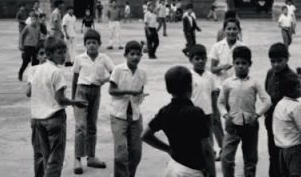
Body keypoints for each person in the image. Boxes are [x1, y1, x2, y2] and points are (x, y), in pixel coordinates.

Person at [143, 66, 211, 177]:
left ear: (168, 89)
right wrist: (211, 172)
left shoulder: (164, 111)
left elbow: (145, 135)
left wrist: (168, 149)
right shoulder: (196, 113)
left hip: (174, 166)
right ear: (190, 87)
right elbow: (206, 148)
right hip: (192, 170)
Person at [26, 36, 77, 177]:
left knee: (42, 155)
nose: (63, 56)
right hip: (54, 118)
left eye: (64, 52)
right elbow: (60, 99)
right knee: (55, 158)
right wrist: (75, 102)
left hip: (37, 118)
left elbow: (29, 92)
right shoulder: (57, 72)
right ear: (49, 54)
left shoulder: (36, 70)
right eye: (59, 53)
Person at [219, 45, 271, 177]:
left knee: (250, 159)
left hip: (250, 125)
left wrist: (257, 115)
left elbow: (267, 101)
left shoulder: (254, 82)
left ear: (250, 64)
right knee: (226, 157)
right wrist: (226, 115)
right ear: (233, 64)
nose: (240, 66)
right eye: (237, 63)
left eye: (244, 63)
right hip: (232, 125)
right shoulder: (227, 83)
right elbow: (220, 102)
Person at [71, 28, 114, 173]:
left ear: (99, 44)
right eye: (88, 43)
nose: (91, 45)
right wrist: (73, 100)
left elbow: (115, 73)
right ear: (85, 44)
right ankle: (77, 158)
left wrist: (105, 80)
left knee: (92, 125)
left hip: (95, 92)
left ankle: (91, 157)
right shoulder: (79, 59)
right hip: (81, 92)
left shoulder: (104, 58)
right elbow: (75, 79)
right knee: (80, 126)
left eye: (94, 43)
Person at [108, 40, 147, 177]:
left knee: (136, 153)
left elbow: (140, 92)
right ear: (126, 55)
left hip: (135, 116)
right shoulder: (118, 70)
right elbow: (111, 90)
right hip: (119, 115)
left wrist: (139, 96)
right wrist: (130, 92)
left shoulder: (142, 73)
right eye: (132, 54)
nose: (135, 57)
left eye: (138, 54)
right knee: (120, 154)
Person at [273, 72, 301, 177]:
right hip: (295, 149)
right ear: (290, 91)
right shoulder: (296, 107)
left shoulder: (280, 104)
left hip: (282, 148)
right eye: (298, 87)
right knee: (296, 174)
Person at [265, 42, 299, 177]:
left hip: (286, 125)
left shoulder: (292, 77)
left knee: (285, 158)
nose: (276, 65)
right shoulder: (270, 73)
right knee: (273, 156)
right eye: (272, 61)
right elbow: (267, 95)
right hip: (271, 123)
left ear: (287, 59)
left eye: (279, 61)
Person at [187, 44, 220, 175]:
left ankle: (208, 169)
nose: (200, 61)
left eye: (203, 58)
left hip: (207, 115)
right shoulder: (188, 76)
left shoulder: (210, 76)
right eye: (197, 58)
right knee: (193, 144)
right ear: (191, 60)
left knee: (208, 144)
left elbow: (213, 95)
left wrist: (215, 113)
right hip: (192, 116)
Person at [210, 17, 245, 83]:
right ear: (224, 30)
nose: (231, 32)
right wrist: (221, 67)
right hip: (221, 84)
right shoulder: (217, 46)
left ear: (239, 30)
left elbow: (246, 67)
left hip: (237, 83)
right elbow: (212, 69)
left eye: (234, 29)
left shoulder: (242, 47)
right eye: (229, 29)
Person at [19, 11, 43, 81]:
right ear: (31, 20)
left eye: (36, 19)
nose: (35, 21)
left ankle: (33, 76)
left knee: (35, 62)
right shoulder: (28, 27)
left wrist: (40, 46)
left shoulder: (38, 28)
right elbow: (22, 35)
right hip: (27, 46)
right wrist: (21, 44)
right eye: (33, 19)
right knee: (26, 62)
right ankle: (20, 73)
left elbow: (39, 37)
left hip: (35, 47)